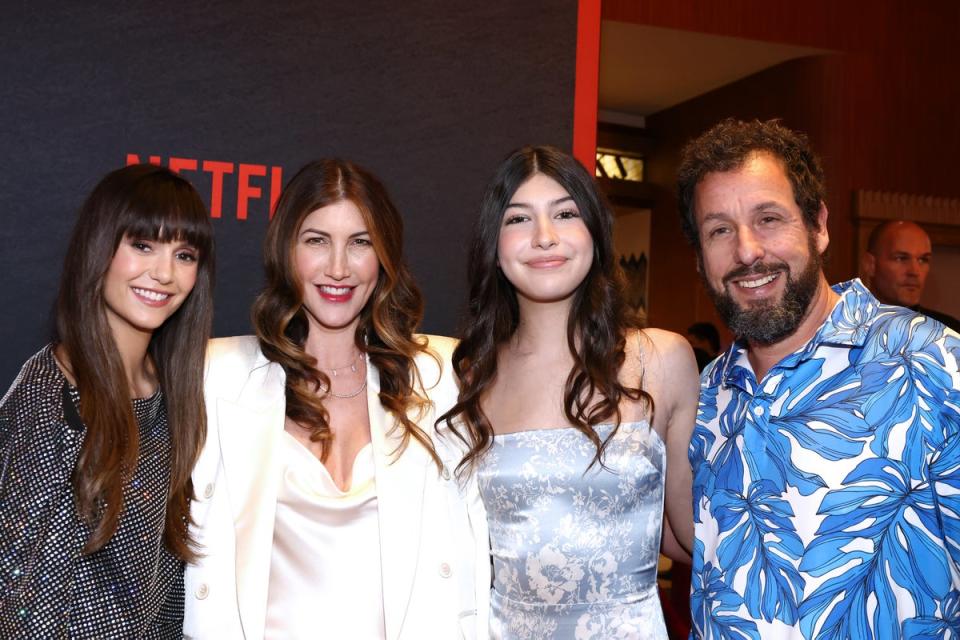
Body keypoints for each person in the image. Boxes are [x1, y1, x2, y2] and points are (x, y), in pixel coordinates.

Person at [677, 118, 960, 639]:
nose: (746, 251)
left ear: (820, 225)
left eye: (768, 219)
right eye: (719, 230)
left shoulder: (931, 363)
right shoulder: (705, 394)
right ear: (699, 255)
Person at [183, 159, 487, 639]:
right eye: (316, 240)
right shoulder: (219, 374)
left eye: (360, 242)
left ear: (384, 256)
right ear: (287, 250)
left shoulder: (437, 377)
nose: (339, 268)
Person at [440, 145, 699, 639]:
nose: (544, 237)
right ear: (493, 245)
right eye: (519, 219)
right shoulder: (471, 379)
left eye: (565, 213)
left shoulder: (660, 360)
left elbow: (690, 535)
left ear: (596, 233)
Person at [0, 164, 215, 637]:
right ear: (99, 247)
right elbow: (23, 594)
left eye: (184, 254)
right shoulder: (56, 392)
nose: (163, 273)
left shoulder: (173, 391)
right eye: (142, 245)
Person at [861, 219, 960, 332]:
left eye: (923, 260)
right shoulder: (841, 331)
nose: (914, 272)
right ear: (870, 264)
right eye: (901, 258)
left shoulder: (948, 332)